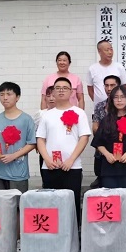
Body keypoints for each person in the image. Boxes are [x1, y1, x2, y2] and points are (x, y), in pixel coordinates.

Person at [36, 77, 92, 227]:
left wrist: (71, 160)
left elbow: (84, 138)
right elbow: (40, 139)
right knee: (51, 204)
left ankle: (73, 235)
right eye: (58, 88)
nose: (61, 90)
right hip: (50, 167)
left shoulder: (79, 112)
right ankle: (53, 235)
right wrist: (47, 160)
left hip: (72, 167)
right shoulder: (46, 115)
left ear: (71, 92)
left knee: (72, 203)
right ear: (53, 92)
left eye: (65, 88)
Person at [91, 85, 126, 195]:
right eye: (116, 97)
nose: (119, 100)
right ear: (111, 100)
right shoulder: (106, 120)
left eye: (122, 97)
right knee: (111, 200)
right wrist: (107, 154)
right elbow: (98, 142)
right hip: (110, 169)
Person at [0, 82, 37, 193]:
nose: (5, 98)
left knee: (17, 202)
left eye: (9, 94)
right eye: (2, 94)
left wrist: (14, 156)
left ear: (17, 97)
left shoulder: (26, 119)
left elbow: (32, 143)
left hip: (18, 173)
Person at [89, 75, 122, 189]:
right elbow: (95, 127)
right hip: (102, 148)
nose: (109, 88)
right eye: (106, 85)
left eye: (112, 85)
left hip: (120, 150)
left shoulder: (125, 106)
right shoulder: (100, 106)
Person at [86, 40, 126, 105]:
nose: (110, 52)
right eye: (107, 50)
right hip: (99, 107)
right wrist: (98, 103)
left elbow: (125, 87)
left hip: (117, 106)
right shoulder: (92, 69)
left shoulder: (119, 67)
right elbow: (90, 89)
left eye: (111, 49)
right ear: (99, 51)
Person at [33, 85, 56, 185]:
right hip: (45, 150)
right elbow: (36, 130)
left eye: (53, 96)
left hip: (61, 149)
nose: (51, 98)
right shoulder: (40, 114)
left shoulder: (67, 112)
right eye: (48, 95)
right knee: (47, 178)